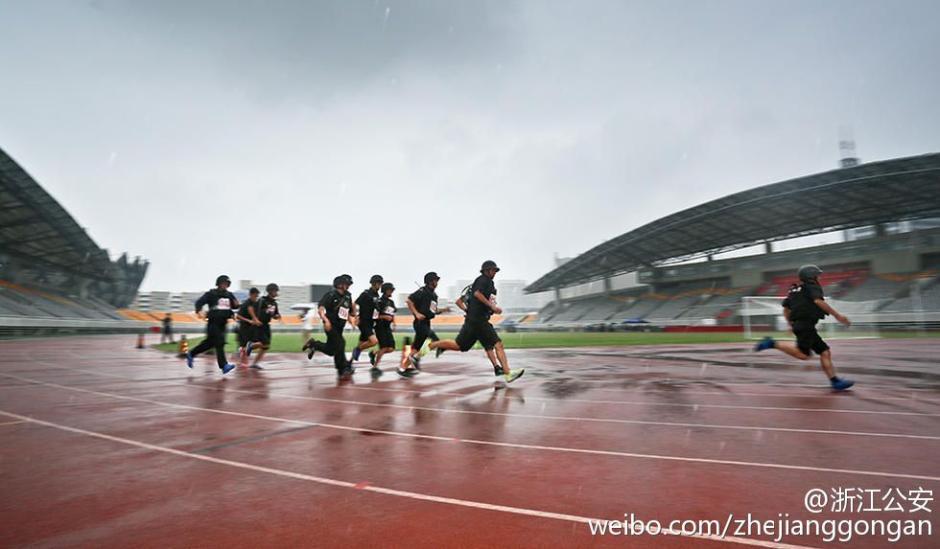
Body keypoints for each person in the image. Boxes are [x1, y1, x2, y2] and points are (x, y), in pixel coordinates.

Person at [754, 264, 855, 391]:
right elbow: (818, 301)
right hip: (806, 326)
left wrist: (790, 324)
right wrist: (838, 316)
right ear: (811, 276)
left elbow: (786, 309)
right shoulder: (812, 287)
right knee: (803, 355)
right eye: (817, 275)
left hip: (803, 326)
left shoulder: (795, 291)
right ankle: (772, 343)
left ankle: (835, 381)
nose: (818, 277)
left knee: (825, 352)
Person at [432, 260, 524, 383]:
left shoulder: (488, 286)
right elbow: (477, 294)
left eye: (496, 270)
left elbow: (472, 300)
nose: (495, 272)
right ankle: (507, 372)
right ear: (486, 271)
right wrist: (491, 307)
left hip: (474, 320)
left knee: (461, 346)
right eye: (493, 270)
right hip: (479, 320)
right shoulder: (483, 280)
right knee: (498, 344)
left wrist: (491, 309)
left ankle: (432, 345)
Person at [303, 274, 356, 378]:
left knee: (332, 350)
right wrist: (326, 320)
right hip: (330, 325)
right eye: (347, 284)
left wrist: (352, 319)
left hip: (340, 327)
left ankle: (314, 344)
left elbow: (348, 311)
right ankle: (343, 369)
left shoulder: (348, 296)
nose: (349, 286)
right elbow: (321, 309)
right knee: (341, 343)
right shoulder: (331, 295)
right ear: (340, 284)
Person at [186, 275, 240, 374]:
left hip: (223, 323)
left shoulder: (230, 295)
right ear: (218, 284)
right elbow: (199, 302)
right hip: (213, 322)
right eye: (223, 283)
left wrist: (236, 306)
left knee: (209, 344)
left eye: (226, 284)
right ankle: (224, 365)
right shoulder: (211, 294)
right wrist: (199, 311)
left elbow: (235, 305)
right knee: (220, 342)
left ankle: (191, 353)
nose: (225, 285)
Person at [403, 272, 445, 375]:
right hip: (420, 322)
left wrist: (444, 310)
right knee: (434, 338)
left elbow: (433, 310)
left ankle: (403, 368)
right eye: (435, 280)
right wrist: (416, 313)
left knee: (416, 347)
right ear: (430, 281)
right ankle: (417, 358)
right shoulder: (422, 291)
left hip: (427, 322)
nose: (437, 282)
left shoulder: (434, 295)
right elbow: (409, 300)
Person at [246, 283, 281, 369]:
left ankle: (254, 363)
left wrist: (277, 316)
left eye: (277, 291)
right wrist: (255, 320)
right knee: (264, 343)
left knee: (266, 346)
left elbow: (274, 315)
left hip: (266, 325)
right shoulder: (262, 300)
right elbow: (251, 309)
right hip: (259, 325)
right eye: (275, 291)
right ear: (270, 291)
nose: (276, 293)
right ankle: (250, 345)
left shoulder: (274, 304)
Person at [351, 275, 383, 364]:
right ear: (373, 283)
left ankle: (349, 363)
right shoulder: (366, 294)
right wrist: (356, 316)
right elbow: (354, 304)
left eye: (381, 284)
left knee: (361, 345)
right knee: (374, 341)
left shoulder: (377, 295)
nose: (380, 286)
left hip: (371, 323)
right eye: (378, 283)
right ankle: (357, 349)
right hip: (364, 322)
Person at [368, 281, 397, 377]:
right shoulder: (379, 301)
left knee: (391, 348)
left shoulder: (391, 302)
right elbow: (375, 315)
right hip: (380, 327)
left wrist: (394, 323)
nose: (391, 292)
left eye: (392, 290)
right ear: (385, 290)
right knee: (384, 347)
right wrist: (384, 317)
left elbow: (392, 314)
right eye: (390, 290)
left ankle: (374, 353)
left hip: (387, 327)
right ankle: (375, 367)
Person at [235, 287, 261, 363]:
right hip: (244, 328)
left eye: (257, 296)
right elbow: (238, 316)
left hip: (253, 328)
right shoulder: (245, 304)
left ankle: (244, 354)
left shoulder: (256, 304)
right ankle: (241, 363)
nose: (256, 298)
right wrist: (249, 321)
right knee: (243, 347)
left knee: (260, 343)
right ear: (250, 295)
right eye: (255, 296)